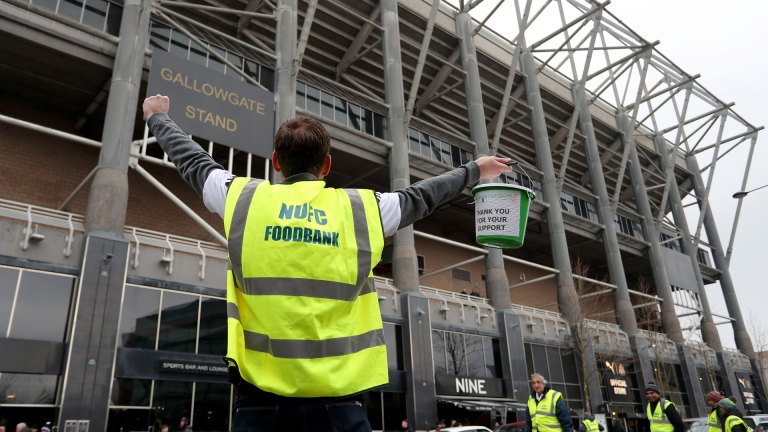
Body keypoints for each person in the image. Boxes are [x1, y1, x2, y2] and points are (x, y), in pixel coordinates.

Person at [142, 95, 513, 432]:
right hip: (340, 407)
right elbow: (423, 196)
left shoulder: (242, 200)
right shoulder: (363, 209)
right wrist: (474, 170)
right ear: (327, 165)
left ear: (276, 163)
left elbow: (192, 160)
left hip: (259, 405)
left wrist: (158, 118)